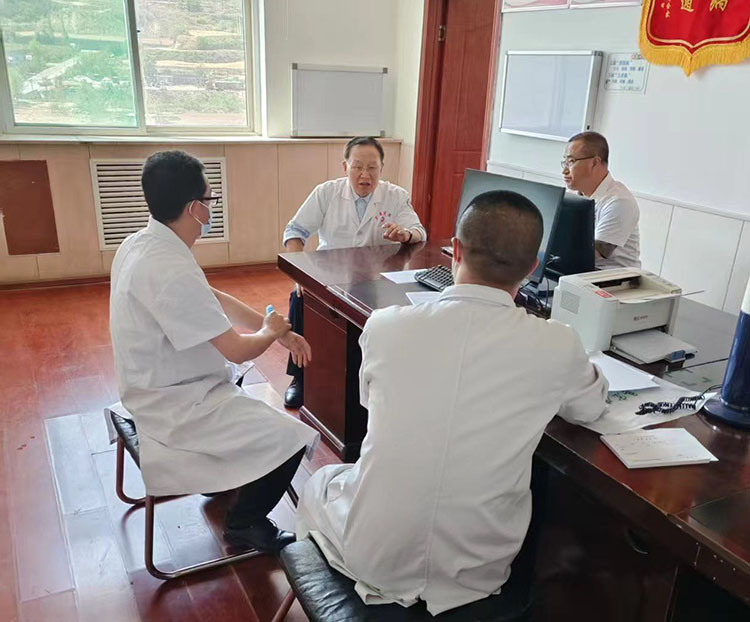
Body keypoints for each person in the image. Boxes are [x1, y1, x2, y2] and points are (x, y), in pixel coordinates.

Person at [296, 190, 609, 615]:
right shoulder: (557, 344)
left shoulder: (386, 327)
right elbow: (591, 408)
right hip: (478, 571)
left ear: (455, 251)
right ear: (532, 267)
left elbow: (372, 404)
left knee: (321, 483)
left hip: (375, 557)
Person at [109, 150, 318, 554]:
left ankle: (225, 479)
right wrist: (270, 331)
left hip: (153, 387)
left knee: (245, 397)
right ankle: (245, 524)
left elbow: (209, 297)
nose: (211, 207)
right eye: (210, 199)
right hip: (176, 406)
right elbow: (237, 350)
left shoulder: (141, 244)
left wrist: (275, 331)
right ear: (195, 208)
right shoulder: (169, 268)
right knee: (293, 437)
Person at [281, 136, 427, 408]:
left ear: (382, 168)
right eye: (357, 166)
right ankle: (299, 378)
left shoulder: (395, 196)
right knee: (300, 299)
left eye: (372, 168)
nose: (365, 175)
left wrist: (405, 234)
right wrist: (301, 272)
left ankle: (375, 384)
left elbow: (419, 232)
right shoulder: (327, 192)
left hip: (376, 279)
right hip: (330, 276)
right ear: (345, 166)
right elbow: (295, 232)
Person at [562, 131, 641, 269]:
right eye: (565, 162)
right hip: (577, 272)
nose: (565, 171)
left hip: (611, 278)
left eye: (571, 162)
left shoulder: (619, 202)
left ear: (594, 163)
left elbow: (589, 255)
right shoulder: (573, 195)